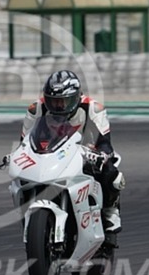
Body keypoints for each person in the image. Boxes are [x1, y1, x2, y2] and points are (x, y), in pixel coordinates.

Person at [21, 70, 125, 244]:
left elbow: (105, 144)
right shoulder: (36, 109)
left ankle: (110, 212)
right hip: (50, 154)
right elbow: (24, 142)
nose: (59, 106)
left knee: (110, 172)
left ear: (76, 97)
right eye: (53, 101)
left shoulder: (93, 108)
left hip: (84, 153)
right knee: (21, 177)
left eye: (64, 101)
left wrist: (100, 155)